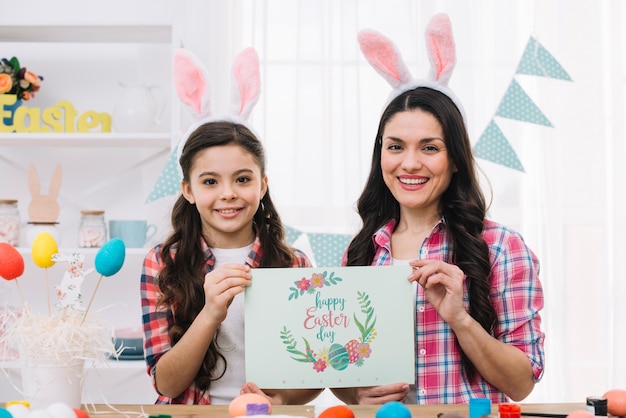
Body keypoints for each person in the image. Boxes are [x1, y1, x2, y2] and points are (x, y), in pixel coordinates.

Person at [332, 16, 545, 405]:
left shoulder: (501, 247)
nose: (409, 164)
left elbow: (521, 383)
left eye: (429, 148)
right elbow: (346, 377)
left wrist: (460, 319)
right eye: (395, 146)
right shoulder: (361, 252)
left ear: (456, 159)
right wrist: (357, 395)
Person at [140, 48, 322, 405]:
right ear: (188, 190)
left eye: (242, 179)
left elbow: (311, 376)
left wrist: (281, 399)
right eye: (210, 182)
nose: (228, 195)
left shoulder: (294, 265)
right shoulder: (163, 263)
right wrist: (211, 313)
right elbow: (167, 384)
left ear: (262, 185)